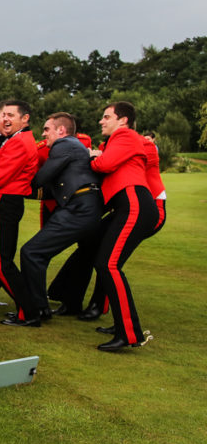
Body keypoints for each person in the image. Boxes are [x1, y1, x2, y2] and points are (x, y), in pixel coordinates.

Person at [15, 112, 103, 325]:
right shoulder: (74, 147)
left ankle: (37, 310)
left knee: (32, 253)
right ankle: (68, 303)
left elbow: (42, 178)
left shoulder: (64, 145)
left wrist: (16, 184)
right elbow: (52, 190)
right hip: (85, 206)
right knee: (82, 256)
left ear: (61, 130)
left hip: (79, 208)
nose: (44, 135)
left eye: (47, 129)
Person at [87, 101, 157, 351]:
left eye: (106, 116)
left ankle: (129, 333)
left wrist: (95, 158)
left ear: (123, 120)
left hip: (134, 204)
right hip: (127, 206)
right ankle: (123, 327)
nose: (101, 121)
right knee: (105, 263)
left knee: (108, 265)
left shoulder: (125, 135)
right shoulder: (119, 139)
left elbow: (104, 166)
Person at [0, 100, 39, 325]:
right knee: (2, 259)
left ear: (25, 118)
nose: (5, 119)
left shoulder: (19, 142)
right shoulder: (19, 139)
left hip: (4, 201)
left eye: (11, 115)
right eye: (3, 115)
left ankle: (29, 312)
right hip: (8, 200)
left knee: (1, 261)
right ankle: (29, 309)